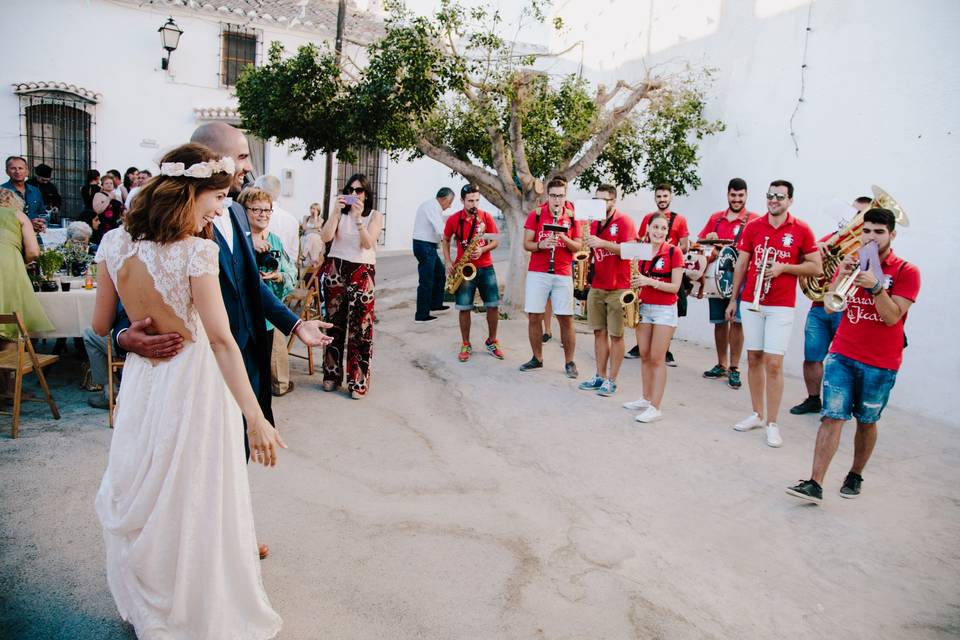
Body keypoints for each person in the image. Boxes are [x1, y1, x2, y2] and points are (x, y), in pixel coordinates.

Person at [91, 143, 284, 639]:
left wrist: (126, 337)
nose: (222, 208)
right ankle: (191, 606)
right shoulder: (198, 252)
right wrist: (255, 416)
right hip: (195, 382)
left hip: (143, 381)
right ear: (189, 194)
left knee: (152, 485)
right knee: (194, 491)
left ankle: (152, 595)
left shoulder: (113, 243)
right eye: (217, 197)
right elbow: (220, 341)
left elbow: (98, 324)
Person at [787, 208, 919, 503]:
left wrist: (874, 286)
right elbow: (832, 307)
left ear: (892, 235)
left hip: (881, 362)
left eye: (878, 232)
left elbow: (891, 316)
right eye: (867, 231)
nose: (871, 237)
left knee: (866, 421)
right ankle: (814, 482)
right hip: (843, 354)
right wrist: (840, 279)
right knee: (832, 417)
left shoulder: (906, 272)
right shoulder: (852, 263)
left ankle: (855, 473)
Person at [726, 180, 822, 448]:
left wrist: (784, 268)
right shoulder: (754, 226)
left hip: (780, 304)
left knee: (774, 363)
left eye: (780, 196)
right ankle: (757, 414)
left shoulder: (801, 229)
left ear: (790, 200)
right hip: (751, 301)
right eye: (770, 195)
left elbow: (815, 266)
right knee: (753, 358)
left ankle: (772, 422)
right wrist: (733, 298)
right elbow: (743, 262)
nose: (774, 200)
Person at [790, 195, 873, 415]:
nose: (857, 220)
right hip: (819, 306)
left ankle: (840, 405)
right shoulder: (832, 238)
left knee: (843, 361)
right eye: (855, 214)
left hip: (846, 310)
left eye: (863, 215)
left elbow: (873, 281)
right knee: (812, 356)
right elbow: (805, 260)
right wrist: (817, 249)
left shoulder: (871, 250)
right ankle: (813, 399)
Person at [320, 173, 384, 398]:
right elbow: (326, 237)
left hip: (362, 271)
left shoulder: (375, 216)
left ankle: (358, 381)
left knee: (361, 328)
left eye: (359, 191)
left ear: (367, 194)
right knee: (333, 323)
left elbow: (368, 243)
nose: (354, 194)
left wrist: (358, 219)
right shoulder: (339, 213)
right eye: (351, 190)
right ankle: (331, 374)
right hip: (337, 268)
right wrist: (336, 212)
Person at [621, 213, 684, 422]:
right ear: (648, 228)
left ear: (667, 232)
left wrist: (649, 281)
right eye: (655, 227)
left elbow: (675, 287)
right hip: (644, 307)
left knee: (658, 358)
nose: (658, 232)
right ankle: (646, 398)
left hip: (665, 309)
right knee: (645, 355)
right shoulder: (642, 251)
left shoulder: (674, 252)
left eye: (663, 229)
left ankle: (656, 407)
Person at [698, 178, 759, 389]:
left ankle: (734, 368)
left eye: (740, 195)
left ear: (746, 195)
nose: (736, 199)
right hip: (717, 279)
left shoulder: (754, 220)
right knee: (719, 322)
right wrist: (708, 240)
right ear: (727, 195)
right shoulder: (715, 218)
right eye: (733, 195)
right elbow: (700, 245)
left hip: (741, 279)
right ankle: (721, 364)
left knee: (737, 322)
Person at [578, 184, 636, 396]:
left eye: (605, 200)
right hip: (597, 285)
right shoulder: (592, 223)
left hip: (618, 287)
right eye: (597, 200)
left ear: (614, 201)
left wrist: (603, 242)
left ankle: (612, 380)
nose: (600, 204)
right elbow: (590, 251)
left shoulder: (624, 221)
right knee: (598, 333)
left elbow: (630, 250)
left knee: (616, 335)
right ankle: (599, 376)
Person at [240, 186, 297, 397]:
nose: (263, 214)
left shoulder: (275, 241)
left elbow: (291, 273)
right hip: (242, 315)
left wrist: (279, 276)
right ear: (244, 211)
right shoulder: (236, 239)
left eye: (267, 210)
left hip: (267, 317)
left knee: (263, 369)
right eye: (257, 209)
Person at [520, 177, 580, 377]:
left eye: (560, 196)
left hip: (562, 272)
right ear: (548, 195)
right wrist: (540, 245)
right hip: (538, 272)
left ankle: (569, 362)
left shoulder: (572, 217)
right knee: (534, 316)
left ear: (566, 196)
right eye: (553, 196)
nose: (556, 200)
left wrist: (564, 237)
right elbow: (526, 243)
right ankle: (537, 358)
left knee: (566, 318)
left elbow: (579, 246)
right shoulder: (536, 214)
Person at [627, 183, 690, 365]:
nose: (662, 199)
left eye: (665, 196)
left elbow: (685, 245)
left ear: (671, 197)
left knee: (672, 309)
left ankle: (665, 349)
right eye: (659, 196)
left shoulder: (680, 219)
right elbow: (640, 239)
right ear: (655, 198)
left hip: (670, 267)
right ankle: (641, 346)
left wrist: (670, 249)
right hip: (648, 267)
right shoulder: (648, 218)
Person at [441, 184, 502, 363]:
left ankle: (492, 341)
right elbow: (445, 239)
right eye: (470, 201)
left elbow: (495, 241)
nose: (474, 204)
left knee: (493, 305)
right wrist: (448, 261)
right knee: (464, 308)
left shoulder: (486, 217)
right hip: (464, 268)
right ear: (462, 201)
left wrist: (483, 250)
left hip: (486, 266)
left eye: (476, 200)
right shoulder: (453, 219)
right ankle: (466, 343)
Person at [0, 189, 53, 342]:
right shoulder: (18, 215)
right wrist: (22, 262)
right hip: (8, 265)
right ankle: (12, 364)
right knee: (10, 327)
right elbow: (33, 251)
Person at [412, 187, 454, 322]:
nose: (450, 205)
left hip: (428, 246)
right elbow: (440, 229)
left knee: (439, 274)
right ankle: (421, 315)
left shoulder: (433, 206)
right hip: (424, 246)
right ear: (443, 199)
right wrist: (450, 242)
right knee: (426, 281)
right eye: (449, 202)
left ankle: (435, 304)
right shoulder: (431, 206)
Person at [254, 174, 299, 265]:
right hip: (286, 271)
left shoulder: (254, 216)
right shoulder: (292, 220)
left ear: (258, 190)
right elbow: (294, 256)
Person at [2, 156, 46, 233]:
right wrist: (28, 224)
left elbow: (42, 214)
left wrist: (40, 223)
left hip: (34, 235)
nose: (17, 171)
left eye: (20, 168)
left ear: (27, 171)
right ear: (7, 172)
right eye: (13, 168)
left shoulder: (35, 191)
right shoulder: (2, 191)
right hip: (11, 236)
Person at [300, 201, 326, 268]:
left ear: (318, 211)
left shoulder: (321, 219)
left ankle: (304, 255)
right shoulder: (306, 217)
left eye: (315, 209)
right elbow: (304, 228)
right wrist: (315, 229)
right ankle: (313, 261)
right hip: (307, 237)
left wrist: (315, 217)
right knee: (311, 237)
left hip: (316, 238)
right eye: (312, 208)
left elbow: (317, 225)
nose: (313, 210)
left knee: (313, 237)